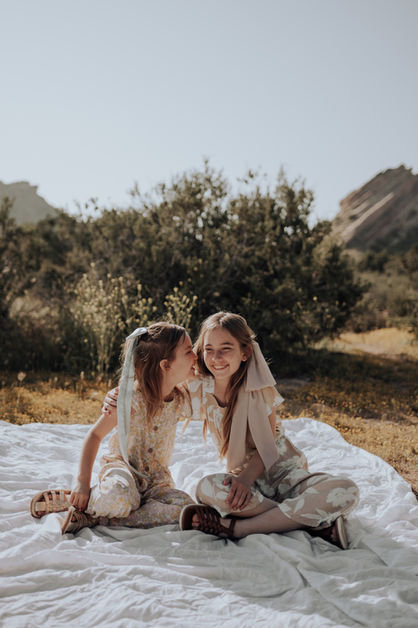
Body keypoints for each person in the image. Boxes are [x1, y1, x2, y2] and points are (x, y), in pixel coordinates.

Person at [178, 311, 359, 549]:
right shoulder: (200, 387)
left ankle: (239, 527)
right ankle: (313, 524)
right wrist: (125, 392)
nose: (216, 357)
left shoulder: (259, 388)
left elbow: (269, 444)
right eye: (209, 349)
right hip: (248, 486)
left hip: (284, 474)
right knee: (205, 488)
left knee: (346, 489)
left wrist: (244, 480)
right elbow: (163, 394)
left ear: (245, 352)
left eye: (226, 348)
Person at [30, 322, 196, 534]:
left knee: (186, 509)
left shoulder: (181, 398)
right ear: (166, 366)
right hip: (123, 471)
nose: (196, 356)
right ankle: (84, 498)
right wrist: (82, 483)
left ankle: (94, 515)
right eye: (189, 351)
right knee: (118, 496)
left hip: (157, 481)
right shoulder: (129, 400)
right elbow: (94, 435)